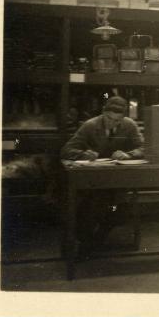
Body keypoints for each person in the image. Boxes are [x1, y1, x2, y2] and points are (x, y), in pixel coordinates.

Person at [60, 96, 145, 256]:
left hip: (118, 182)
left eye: (117, 120)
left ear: (123, 117)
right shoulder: (90, 125)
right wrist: (84, 154)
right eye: (109, 118)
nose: (112, 123)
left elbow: (144, 147)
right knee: (93, 207)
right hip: (92, 183)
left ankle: (92, 243)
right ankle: (87, 243)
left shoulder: (129, 125)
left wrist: (129, 154)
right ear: (103, 113)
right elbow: (66, 151)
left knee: (117, 210)